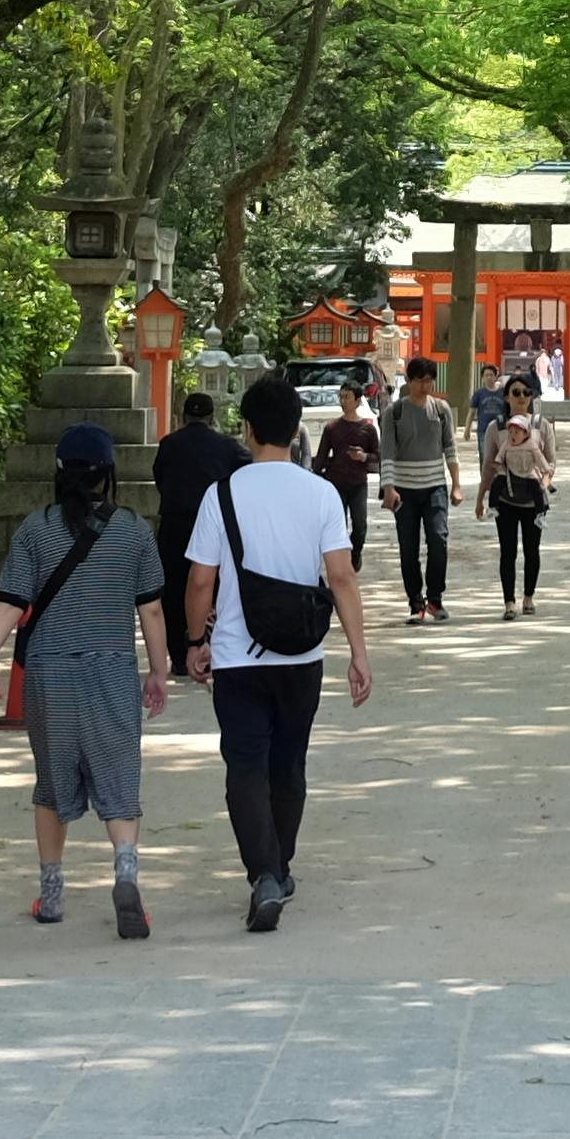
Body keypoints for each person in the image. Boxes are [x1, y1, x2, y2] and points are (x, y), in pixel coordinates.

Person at [183, 370, 371, 931]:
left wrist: (196, 642)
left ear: (247, 429)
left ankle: (263, 871)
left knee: (244, 764)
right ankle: (279, 866)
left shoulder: (222, 495)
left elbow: (199, 582)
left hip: (239, 655)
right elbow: (341, 578)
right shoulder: (321, 494)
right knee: (288, 763)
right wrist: (359, 653)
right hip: (301, 656)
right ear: (295, 431)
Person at [0, 423, 173, 936]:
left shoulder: (34, 530)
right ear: (108, 475)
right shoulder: (132, 531)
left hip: (49, 673)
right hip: (110, 669)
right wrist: (158, 670)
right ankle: (126, 867)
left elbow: (12, 601)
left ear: (58, 472)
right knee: (118, 775)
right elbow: (150, 609)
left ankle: (52, 892)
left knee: (52, 782)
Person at [150, 387, 241, 675]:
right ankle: (210, 647)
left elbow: (160, 479)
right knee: (213, 587)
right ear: (212, 417)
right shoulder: (227, 446)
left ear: (183, 417)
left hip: (176, 525)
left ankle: (178, 655)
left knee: (175, 589)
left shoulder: (168, 444)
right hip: (215, 526)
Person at [384, 354, 464, 623]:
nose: (425, 386)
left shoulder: (441, 410)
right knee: (408, 547)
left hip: (435, 487)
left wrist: (456, 484)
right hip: (404, 489)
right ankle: (415, 603)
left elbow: (449, 448)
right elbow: (387, 453)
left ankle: (435, 598)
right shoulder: (394, 413)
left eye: (429, 381)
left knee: (438, 540)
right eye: (420, 381)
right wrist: (389, 487)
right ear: (409, 381)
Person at [483, 378, 559, 617]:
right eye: (516, 392)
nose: (522, 397)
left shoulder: (541, 425)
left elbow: (551, 462)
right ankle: (508, 602)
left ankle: (528, 597)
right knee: (508, 550)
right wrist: (480, 497)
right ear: (506, 397)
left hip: (533, 498)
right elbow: (489, 464)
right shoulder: (496, 428)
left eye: (527, 392)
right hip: (505, 498)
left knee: (532, 549)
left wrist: (544, 485)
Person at [312, 376, 383, 537]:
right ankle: (343, 559)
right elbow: (321, 457)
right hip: (336, 483)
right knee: (338, 528)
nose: (343, 401)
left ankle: (355, 555)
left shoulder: (368, 429)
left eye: (347, 397)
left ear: (357, 401)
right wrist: (315, 479)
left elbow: (378, 456)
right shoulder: (332, 428)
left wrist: (363, 456)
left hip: (358, 484)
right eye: (341, 397)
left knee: (360, 526)